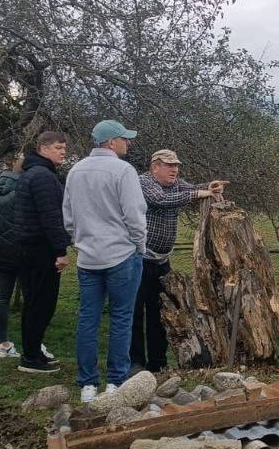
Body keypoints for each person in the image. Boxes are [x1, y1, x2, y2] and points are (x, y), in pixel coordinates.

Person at [62, 120, 146, 402]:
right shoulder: (123, 170)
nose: (128, 143)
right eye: (124, 139)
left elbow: (69, 216)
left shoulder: (75, 170)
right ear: (111, 142)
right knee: (122, 317)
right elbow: (134, 214)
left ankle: (87, 384)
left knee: (88, 318)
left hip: (88, 257)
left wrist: (79, 241)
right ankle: (115, 381)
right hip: (121, 254)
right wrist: (139, 245)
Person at [131, 149, 225, 373]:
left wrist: (209, 187)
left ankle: (158, 363)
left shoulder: (175, 184)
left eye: (176, 166)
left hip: (162, 261)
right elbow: (160, 200)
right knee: (135, 312)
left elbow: (192, 188)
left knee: (161, 312)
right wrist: (199, 194)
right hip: (139, 259)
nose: (174, 169)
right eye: (168, 165)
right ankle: (135, 363)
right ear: (155, 166)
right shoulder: (143, 182)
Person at [13, 131, 71, 373]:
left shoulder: (32, 173)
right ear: (43, 148)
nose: (63, 152)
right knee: (41, 303)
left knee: (34, 301)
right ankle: (30, 357)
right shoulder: (43, 176)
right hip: (40, 249)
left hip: (28, 246)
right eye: (58, 147)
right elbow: (51, 217)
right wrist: (60, 251)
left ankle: (34, 350)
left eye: (64, 147)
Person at [0, 156, 23, 359]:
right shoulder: (22, 190)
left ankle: (2, 342)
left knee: (2, 296)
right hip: (20, 249)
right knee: (33, 296)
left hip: (1, 249)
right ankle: (35, 342)